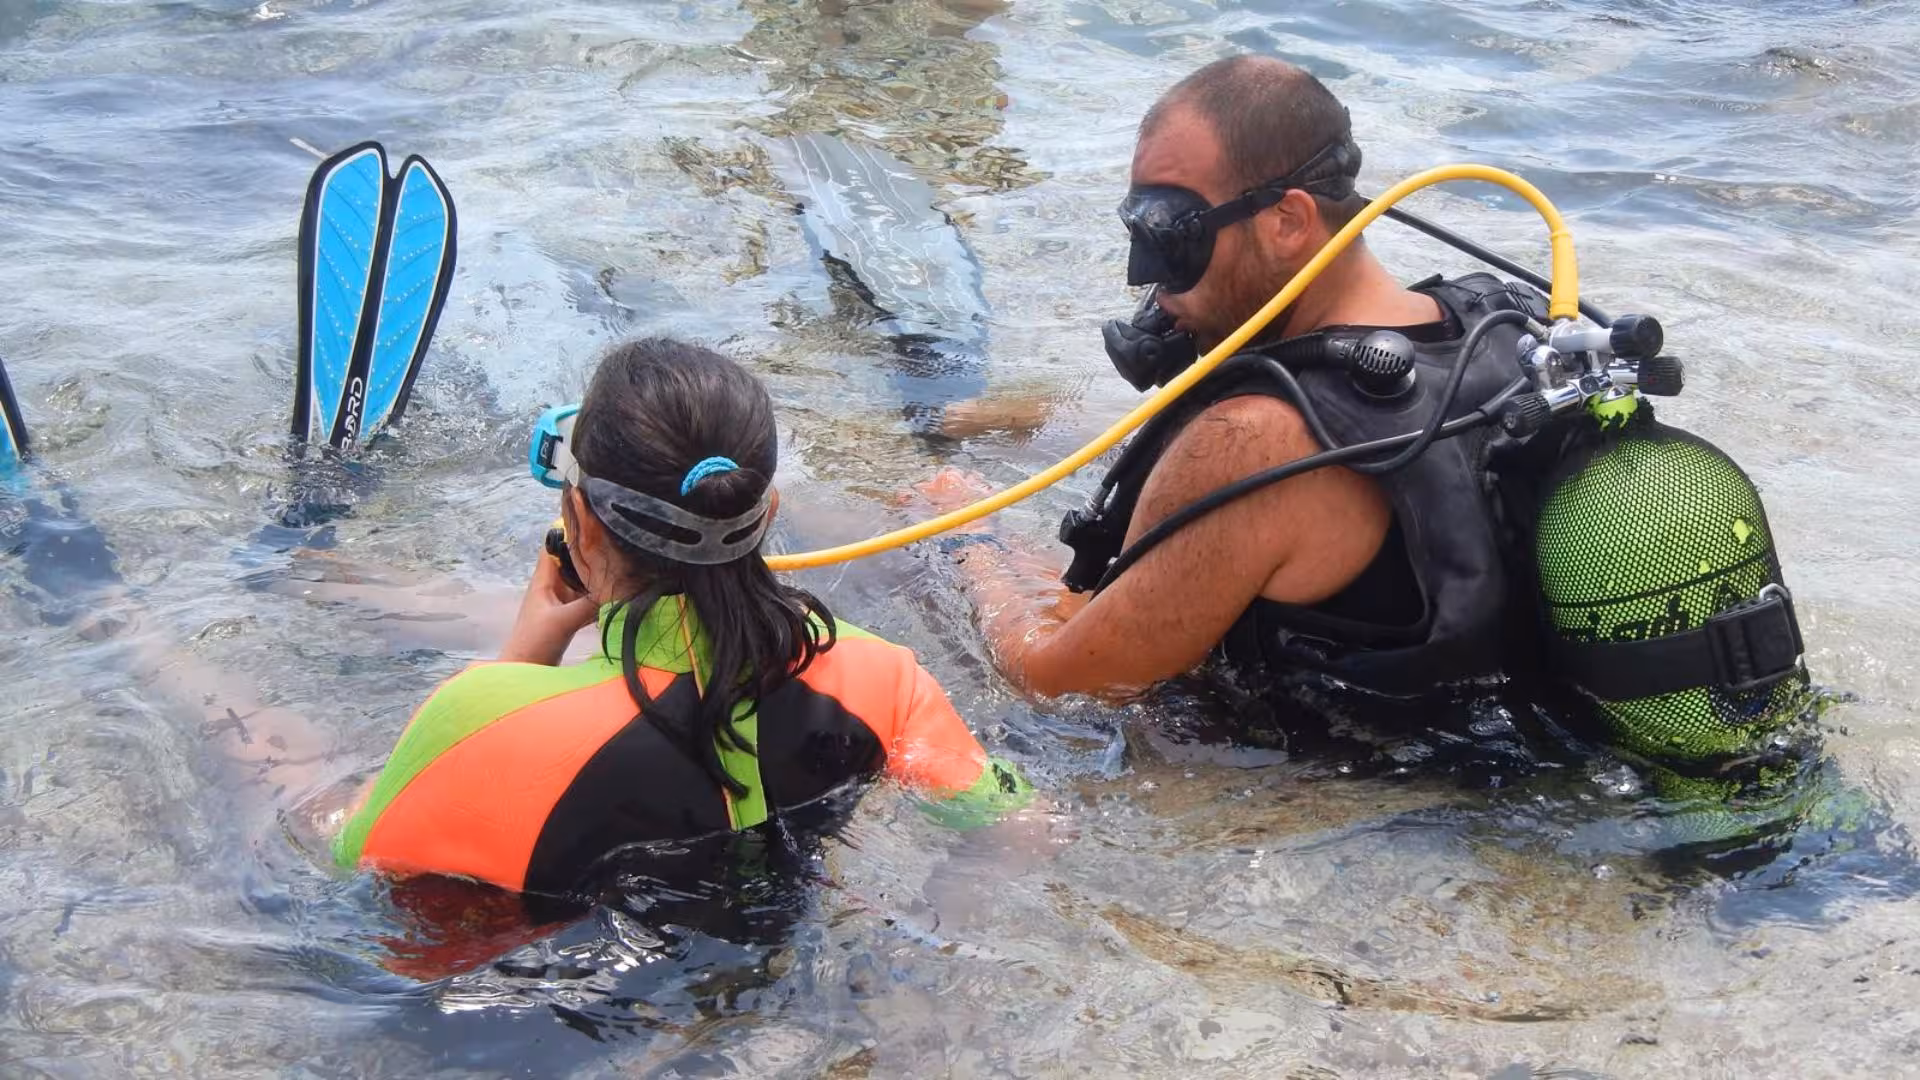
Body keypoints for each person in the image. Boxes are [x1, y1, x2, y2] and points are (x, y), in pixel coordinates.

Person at [916, 54, 1553, 706]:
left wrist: (971, 538)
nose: (1144, 275)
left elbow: (1056, 679)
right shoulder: (1503, 325)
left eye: (1170, 233)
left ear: (1288, 223)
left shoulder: (1253, 441)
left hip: (1347, 790)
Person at [332, 337, 1034, 898]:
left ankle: (284, 582)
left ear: (581, 523)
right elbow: (1025, 826)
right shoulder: (886, 680)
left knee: (284, 761)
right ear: (767, 517)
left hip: (563, 1007)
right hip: (766, 952)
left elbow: (354, 856)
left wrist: (519, 660)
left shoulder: (477, 717)